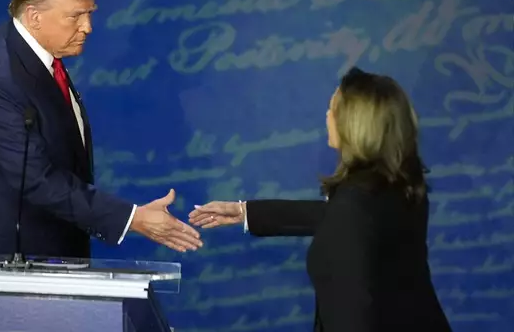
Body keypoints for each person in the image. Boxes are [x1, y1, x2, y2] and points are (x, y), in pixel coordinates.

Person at [0, 0, 202, 259]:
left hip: (43, 255)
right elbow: (37, 179)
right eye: (76, 16)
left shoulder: (38, 58)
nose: (87, 27)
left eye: (89, 14)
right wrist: (131, 218)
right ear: (34, 16)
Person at [189, 67, 451, 332]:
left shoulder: (354, 206)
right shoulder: (399, 187)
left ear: (354, 124)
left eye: (333, 109)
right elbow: (341, 217)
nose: (327, 116)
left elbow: (352, 316)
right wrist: (245, 212)